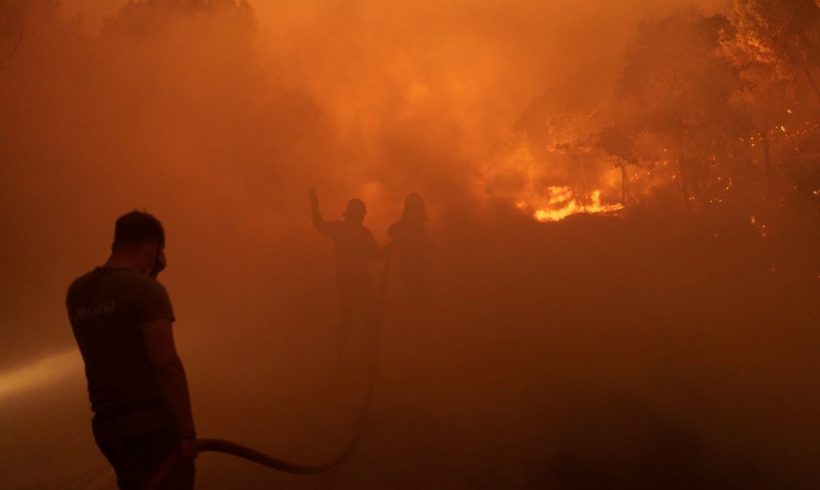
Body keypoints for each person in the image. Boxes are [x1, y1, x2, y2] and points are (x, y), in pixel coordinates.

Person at [66, 211, 196, 490]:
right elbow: (165, 365)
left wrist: (151, 278)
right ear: (153, 249)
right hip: (150, 427)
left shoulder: (77, 292)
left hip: (108, 429)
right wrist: (187, 433)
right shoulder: (146, 291)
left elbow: (118, 329)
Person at [309, 188, 383, 333]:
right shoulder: (357, 232)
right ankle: (355, 346)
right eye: (361, 213)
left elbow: (319, 224)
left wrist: (314, 203)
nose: (362, 216)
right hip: (355, 280)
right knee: (362, 313)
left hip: (350, 280)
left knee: (354, 314)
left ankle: (351, 347)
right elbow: (375, 257)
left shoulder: (344, 230)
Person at [387, 193, 430, 310]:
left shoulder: (419, 227)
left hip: (421, 265)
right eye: (417, 207)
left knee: (419, 294)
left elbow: (426, 243)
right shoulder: (405, 225)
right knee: (414, 293)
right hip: (410, 266)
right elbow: (391, 231)